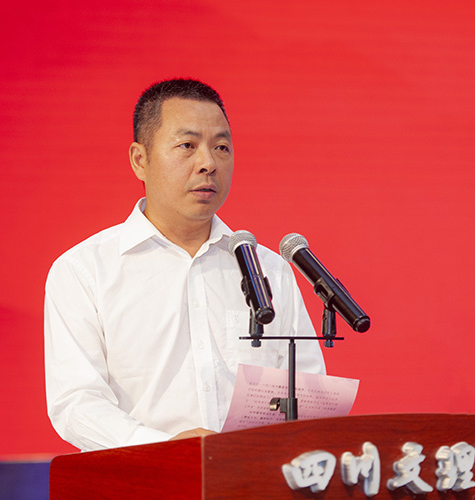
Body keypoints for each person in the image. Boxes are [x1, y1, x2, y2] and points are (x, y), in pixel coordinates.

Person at [44, 78, 325, 450]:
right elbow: (76, 403)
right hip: (141, 475)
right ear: (140, 160)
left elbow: (304, 391)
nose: (208, 163)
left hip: (246, 476)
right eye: (187, 146)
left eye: (221, 147)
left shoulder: (268, 270)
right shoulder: (85, 271)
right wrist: (165, 451)